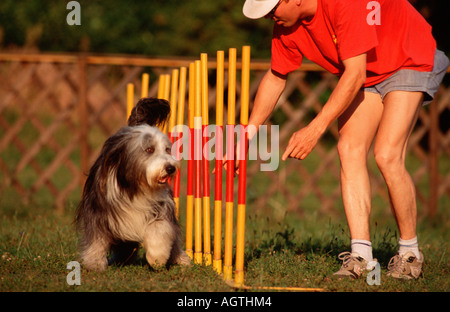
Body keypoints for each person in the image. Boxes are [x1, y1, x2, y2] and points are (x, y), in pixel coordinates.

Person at [241, 0, 448, 280]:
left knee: (386, 154)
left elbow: (354, 74)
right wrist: (246, 137)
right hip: (366, 71)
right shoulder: (286, 26)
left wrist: (315, 128)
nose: (269, 18)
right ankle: (361, 257)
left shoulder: (343, 3)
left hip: (407, 55)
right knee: (348, 148)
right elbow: (277, 77)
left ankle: (410, 254)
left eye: (271, 10)